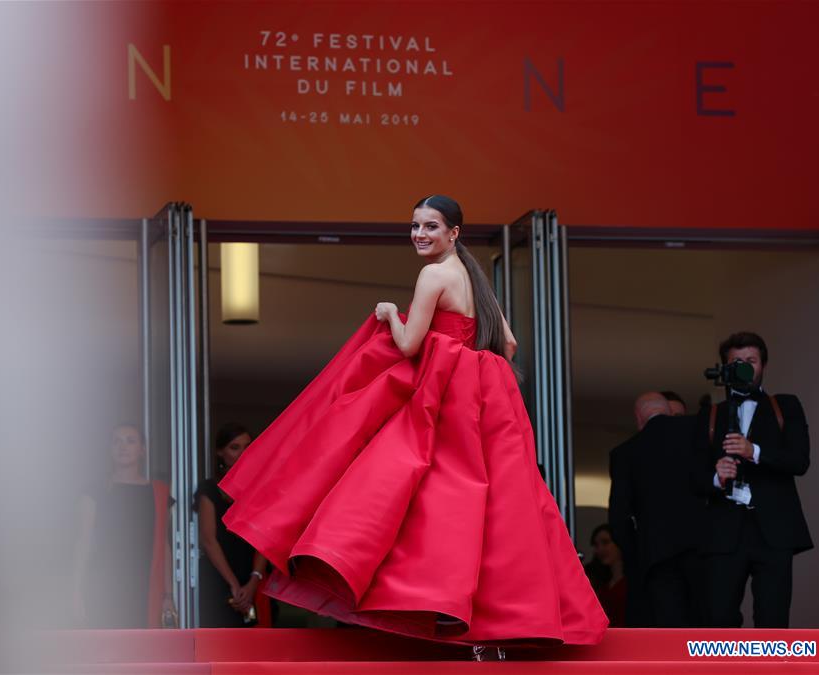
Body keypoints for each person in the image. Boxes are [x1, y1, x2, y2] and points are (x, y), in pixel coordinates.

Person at [218, 195, 607, 654]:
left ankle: (413, 596)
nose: (420, 235)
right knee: (481, 508)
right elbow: (509, 343)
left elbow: (407, 345)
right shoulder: (473, 278)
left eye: (431, 227)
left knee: (387, 487)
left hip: (440, 403)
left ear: (453, 233)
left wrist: (388, 313)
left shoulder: (433, 275)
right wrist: (464, 360)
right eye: (416, 226)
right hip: (475, 409)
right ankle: (484, 616)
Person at [693, 332, 812, 628]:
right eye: (736, 362)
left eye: (751, 361)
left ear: (764, 366)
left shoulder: (785, 406)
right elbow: (693, 478)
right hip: (723, 532)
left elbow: (799, 461)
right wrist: (716, 477)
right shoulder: (710, 415)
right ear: (724, 367)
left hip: (774, 531)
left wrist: (754, 451)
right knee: (718, 620)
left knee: (773, 620)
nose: (745, 367)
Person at [610, 393, 703, 627]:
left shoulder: (625, 453)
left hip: (655, 554)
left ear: (639, 419)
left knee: (668, 627)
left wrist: (636, 554)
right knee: (705, 626)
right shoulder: (696, 432)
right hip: (702, 549)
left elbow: (618, 519)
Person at [71, 424, 175, 628]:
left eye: (130, 440)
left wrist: (168, 595)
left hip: (145, 588)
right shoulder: (94, 492)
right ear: (110, 449)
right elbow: (83, 543)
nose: (123, 446)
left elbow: (163, 546)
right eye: (117, 441)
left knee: (143, 653)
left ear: (142, 450)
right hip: (103, 586)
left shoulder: (158, 493)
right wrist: (76, 591)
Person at [195, 423, 269, 627]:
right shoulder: (210, 489)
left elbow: (265, 539)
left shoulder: (260, 489)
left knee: (256, 643)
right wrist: (234, 585)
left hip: (253, 575)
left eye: (248, 447)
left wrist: (253, 581)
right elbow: (208, 540)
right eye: (234, 447)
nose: (243, 453)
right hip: (219, 577)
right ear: (220, 452)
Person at [584, 525, 627, 627]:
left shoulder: (633, 581)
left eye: (605, 542)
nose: (600, 549)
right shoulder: (598, 580)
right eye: (596, 545)